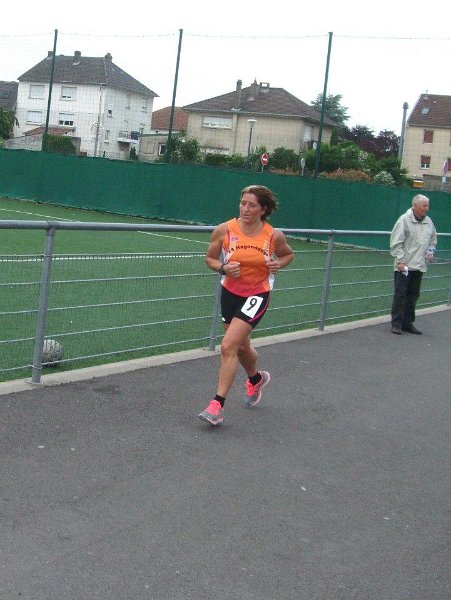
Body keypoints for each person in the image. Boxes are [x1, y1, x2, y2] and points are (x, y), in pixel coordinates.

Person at [198, 185, 294, 426]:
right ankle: (256, 379)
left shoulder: (273, 235)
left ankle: (217, 405)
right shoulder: (224, 230)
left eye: (252, 205)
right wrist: (223, 267)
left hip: (257, 294)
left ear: (263, 209)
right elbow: (210, 258)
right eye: (243, 203)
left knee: (228, 345)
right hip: (230, 293)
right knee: (241, 347)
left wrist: (279, 264)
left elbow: (287, 254)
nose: (246, 209)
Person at [390, 194, 437, 335]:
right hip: (404, 266)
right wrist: (400, 261)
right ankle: (396, 324)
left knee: (413, 295)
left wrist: (431, 251)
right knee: (401, 294)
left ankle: (407, 323)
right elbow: (396, 242)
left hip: (419, 265)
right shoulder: (404, 220)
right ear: (415, 206)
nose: (426, 209)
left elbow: (433, 239)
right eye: (424, 206)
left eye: (427, 206)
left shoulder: (429, 222)